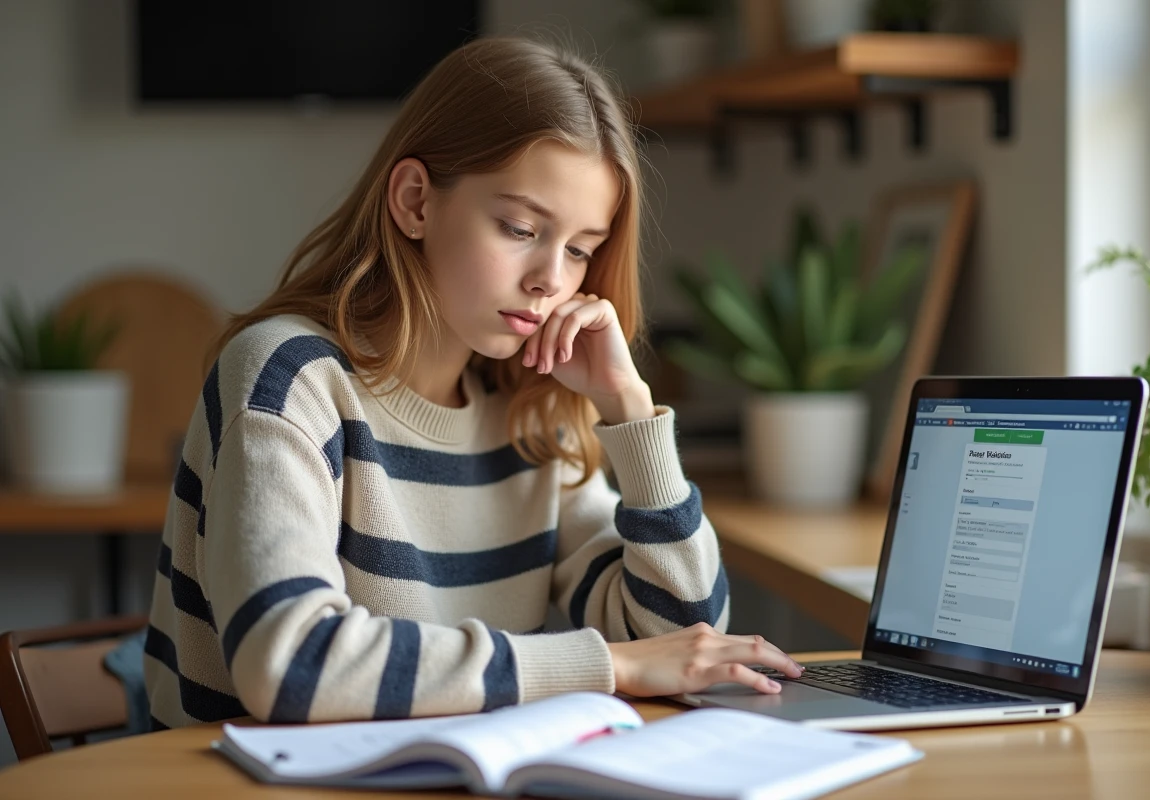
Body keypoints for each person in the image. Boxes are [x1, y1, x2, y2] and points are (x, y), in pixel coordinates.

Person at [143, 35, 803, 729]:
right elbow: (289, 664)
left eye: (581, 250)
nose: (551, 279)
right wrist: (608, 666)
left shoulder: (530, 417)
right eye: (520, 228)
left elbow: (683, 639)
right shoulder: (290, 377)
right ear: (415, 202)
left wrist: (629, 409)